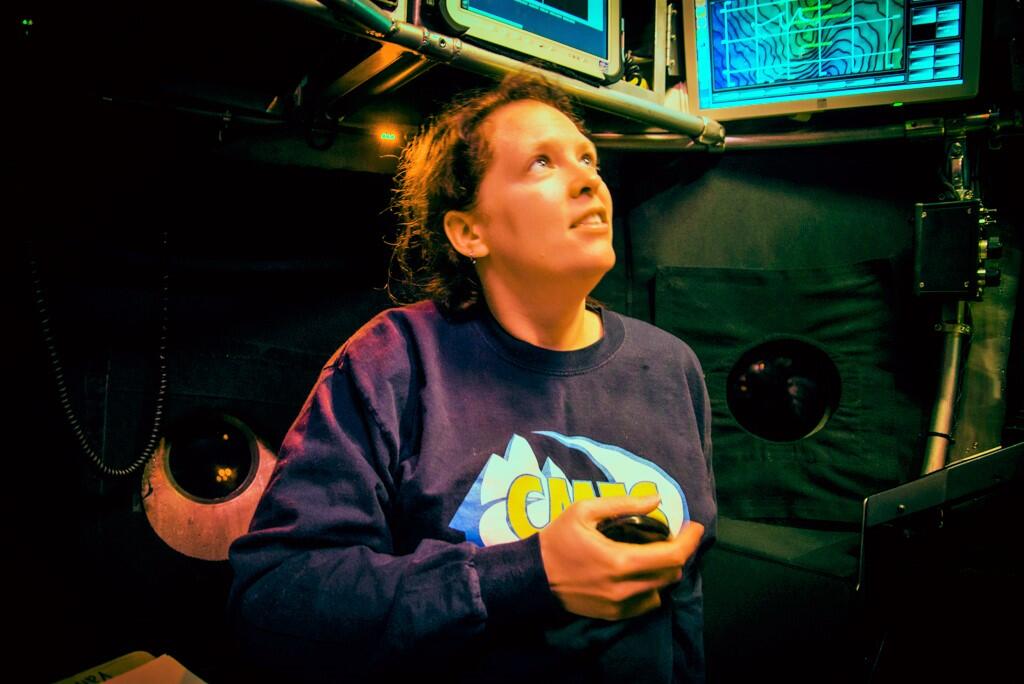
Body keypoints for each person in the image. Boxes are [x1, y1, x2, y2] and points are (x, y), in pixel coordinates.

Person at [227, 72, 716, 683]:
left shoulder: (672, 367)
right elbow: (275, 597)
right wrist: (527, 578)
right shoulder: (395, 359)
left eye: (587, 158)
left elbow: (684, 605)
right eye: (542, 162)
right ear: (469, 231)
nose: (590, 178)